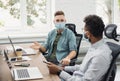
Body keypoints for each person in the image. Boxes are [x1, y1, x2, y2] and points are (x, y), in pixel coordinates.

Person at [47, 15, 112, 81]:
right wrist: (62, 68)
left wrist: (59, 72)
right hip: (75, 77)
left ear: (88, 34)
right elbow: (83, 67)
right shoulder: (95, 47)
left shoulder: (100, 56)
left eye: (83, 30)